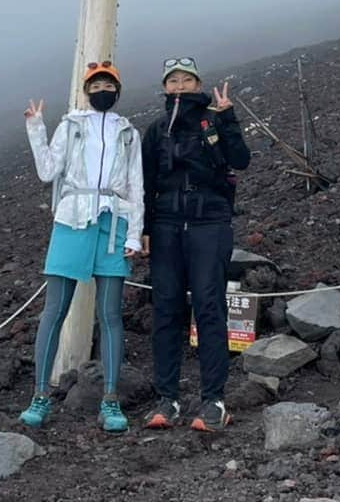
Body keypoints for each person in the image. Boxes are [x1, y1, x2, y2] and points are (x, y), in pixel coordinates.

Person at [18, 60, 144, 433]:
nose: (101, 89)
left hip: (112, 223)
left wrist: (135, 234)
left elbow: (136, 186)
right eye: (95, 84)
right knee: (54, 310)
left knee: (110, 315)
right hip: (72, 218)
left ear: (117, 91)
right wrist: (36, 127)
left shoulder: (128, 133)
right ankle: (40, 396)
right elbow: (47, 170)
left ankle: (110, 399)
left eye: (107, 84)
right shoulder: (71, 125)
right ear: (86, 91)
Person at [140, 56, 251, 432]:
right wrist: (144, 229)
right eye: (173, 81)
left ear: (198, 83)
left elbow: (241, 161)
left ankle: (214, 401)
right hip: (167, 224)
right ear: (165, 87)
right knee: (167, 309)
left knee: (209, 306)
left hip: (210, 222)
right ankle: (166, 399)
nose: (180, 87)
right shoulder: (156, 130)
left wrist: (230, 119)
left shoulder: (215, 120)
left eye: (187, 80)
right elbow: (146, 182)